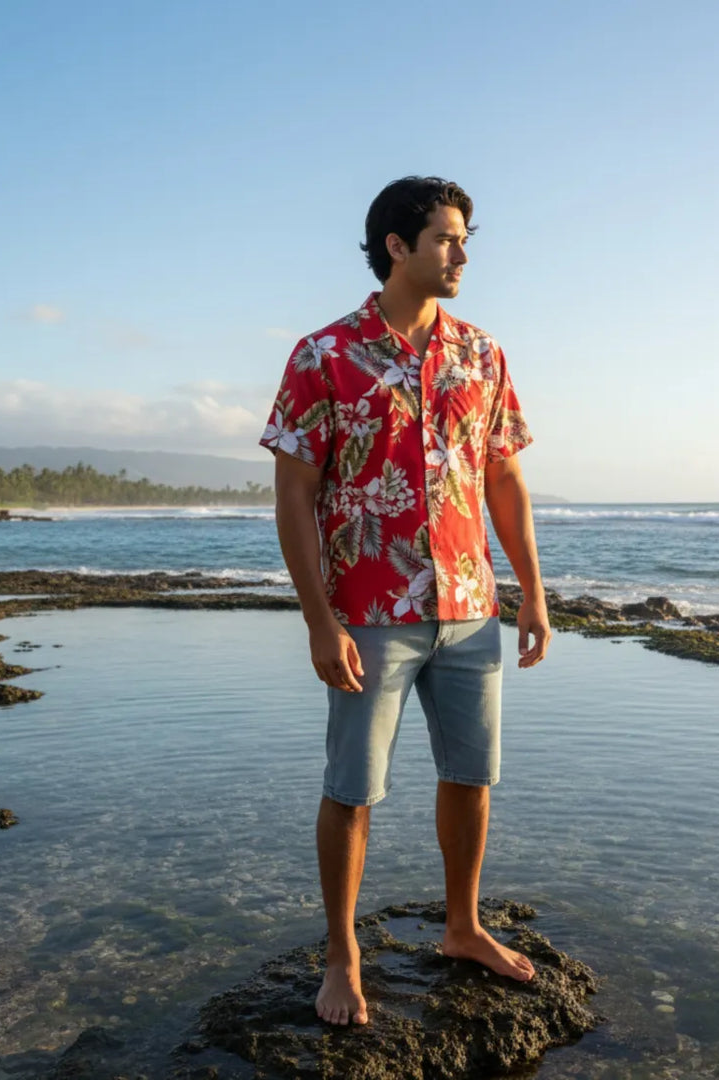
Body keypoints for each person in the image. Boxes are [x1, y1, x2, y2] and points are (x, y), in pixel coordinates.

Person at [260, 175, 550, 1027]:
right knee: (353, 788)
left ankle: (463, 927)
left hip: (470, 605)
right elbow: (294, 496)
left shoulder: (483, 354)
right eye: (448, 239)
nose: (463, 254)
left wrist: (532, 594)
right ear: (399, 246)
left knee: (472, 776)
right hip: (370, 612)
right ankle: (342, 958)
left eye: (465, 239)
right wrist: (319, 619)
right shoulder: (324, 355)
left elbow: (504, 479)